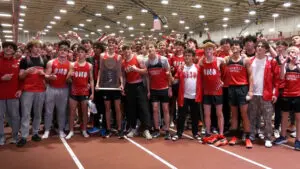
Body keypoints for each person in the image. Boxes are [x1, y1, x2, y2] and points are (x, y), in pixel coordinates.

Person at [248, 41, 279, 148]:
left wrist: (275, 93)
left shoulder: (272, 62)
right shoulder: (251, 61)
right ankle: (252, 134)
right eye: (258, 46)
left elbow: (277, 79)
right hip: (253, 93)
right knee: (252, 116)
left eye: (262, 46)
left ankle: (268, 137)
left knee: (267, 118)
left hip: (266, 93)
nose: (260, 48)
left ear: (266, 49)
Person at [17, 40, 47, 147]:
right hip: (28, 91)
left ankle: (35, 133)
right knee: (26, 114)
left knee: (38, 113)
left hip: (40, 90)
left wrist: (44, 74)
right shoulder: (24, 60)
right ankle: (24, 136)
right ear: (30, 48)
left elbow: (46, 76)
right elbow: (20, 77)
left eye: (39, 47)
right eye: (35, 47)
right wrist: (26, 72)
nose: (38, 49)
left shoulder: (43, 60)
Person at [225, 40, 253, 148]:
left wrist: (250, 90)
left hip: (243, 88)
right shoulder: (227, 60)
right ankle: (234, 136)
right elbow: (218, 61)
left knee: (244, 114)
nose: (234, 47)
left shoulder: (246, 60)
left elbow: (250, 76)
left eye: (236, 45)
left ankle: (247, 138)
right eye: (232, 46)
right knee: (234, 115)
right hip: (232, 88)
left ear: (241, 48)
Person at [199, 42, 227, 146]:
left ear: (213, 50)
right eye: (206, 49)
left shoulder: (219, 60)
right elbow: (199, 66)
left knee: (219, 113)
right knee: (207, 113)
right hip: (207, 91)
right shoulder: (202, 62)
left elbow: (225, 70)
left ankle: (221, 133)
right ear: (204, 51)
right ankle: (208, 132)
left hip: (217, 91)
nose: (208, 51)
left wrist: (223, 81)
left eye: (210, 49)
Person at [122, 45, 152, 139]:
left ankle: (146, 130)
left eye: (128, 50)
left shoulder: (138, 59)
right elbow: (123, 76)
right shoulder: (123, 62)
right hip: (129, 87)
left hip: (139, 86)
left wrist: (136, 69)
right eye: (125, 51)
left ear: (131, 50)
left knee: (143, 108)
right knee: (131, 108)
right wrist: (123, 86)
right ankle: (133, 128)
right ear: (123, 52)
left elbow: (145, 72)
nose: (127, 52)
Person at [42, 40, 71, 139]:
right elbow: (46, 76)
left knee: (61, 111)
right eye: (61, 50)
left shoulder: (70, 64)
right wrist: (50, 77)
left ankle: (61, 130)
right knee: (49, 111)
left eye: (65, 50)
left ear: (68, 52)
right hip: (51, 89)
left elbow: (71, 78)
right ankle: (46, 130)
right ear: (58, 51)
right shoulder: (51, 62)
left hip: (64, 89)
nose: (63, 52)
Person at [96, 37, 124, 138]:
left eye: (113, 43)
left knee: (117, 108)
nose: (111, 44)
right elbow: (100, 70)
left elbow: (119, 71)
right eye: (109, 43)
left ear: (116, 45)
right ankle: (108, 129)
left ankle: (120, 129)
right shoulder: (102, 56)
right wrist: (97, 84)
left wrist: (121, 84)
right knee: (107, 108)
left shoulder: (119, 56)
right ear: (107, 44)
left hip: (115, 86)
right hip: (105, 85)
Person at [172, 49, 202, 141]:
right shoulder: (181, 68)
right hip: (183, 96)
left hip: (195, 96)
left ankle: (195, 133)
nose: (187, 57)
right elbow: (175, 81)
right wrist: (169, 74)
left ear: (193, 57)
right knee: (181, 116)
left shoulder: (197, 68)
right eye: (185, 55)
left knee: (195, 116)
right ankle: (179, 133)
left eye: (189, 55)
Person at [274, 46, 300, 151]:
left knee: (298, 118)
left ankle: (298, 140)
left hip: (298, 95)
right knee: (284, 116)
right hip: (286, 94)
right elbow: (281, 77)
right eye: (290, 52)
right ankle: (283, 136)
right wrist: (283, 63)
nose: (292, 53)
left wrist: (297, 63)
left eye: (294, 52)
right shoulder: (285, 65)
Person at [66, 45, 94, 139]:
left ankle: (84, 130)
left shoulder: (89, 65)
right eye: (79, 52)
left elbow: (91, 80)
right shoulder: (73, 64)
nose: (80, 54)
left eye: (82, 52)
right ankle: (71, 131)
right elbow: (67, 80)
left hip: (84, 92)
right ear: (77, 53)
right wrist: (70, 75)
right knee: (72, 112)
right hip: (74, 91)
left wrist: (92, 93)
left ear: (85, 54)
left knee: (85, 112)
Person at [145, 42, 172, 140]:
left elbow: (169, 74)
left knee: (165, 109)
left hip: (164, 88)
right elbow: (147, 78)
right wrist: (148, 91)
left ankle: (167, 130)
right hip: (153, 89)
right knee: (155, 109)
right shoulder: (146, 62)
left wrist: (170, 88)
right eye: (148, 48)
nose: (150, 49)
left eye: (151, 47)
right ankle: (156, 129)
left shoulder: (163, 60)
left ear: (155, 49)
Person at [0, 42, 21, 145]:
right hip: (0, 95)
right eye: (6, 47)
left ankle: (15, 136)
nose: (8, 49)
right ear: (3, 49)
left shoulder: (17, 62)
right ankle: (1, 137)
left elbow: (21, 79)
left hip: (13, 95)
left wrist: (20, 89)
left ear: (14, 50)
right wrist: (1, 78)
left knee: (14, 116)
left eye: (11, 48)